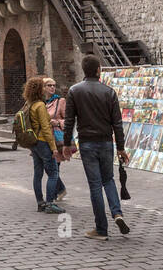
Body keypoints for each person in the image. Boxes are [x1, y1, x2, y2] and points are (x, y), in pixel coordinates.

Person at [63, 54, 129, 239]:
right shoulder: (109, 92)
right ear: (98, 70)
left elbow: (69, 121)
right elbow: (117, 123)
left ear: (84, 70)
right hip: (106, 142)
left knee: (94, 185)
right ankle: (117, 213)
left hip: (87, 143)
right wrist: (121, 148)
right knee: (109, 180)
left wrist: (67, 143)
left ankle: (101, 229)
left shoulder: (75, 91)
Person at [23, 76, 65, 214]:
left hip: (34, 143)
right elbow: (46, 129)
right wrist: (53, 148)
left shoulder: (29, 104)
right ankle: (49, 203)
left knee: (38, 173)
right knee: (53, 173)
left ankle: (40, 202)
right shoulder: (40, 106)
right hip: (43, 142)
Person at [43, 77, 68, 201]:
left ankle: (53, 194)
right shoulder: (40, 103)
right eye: (49, 85)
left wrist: (57, 123)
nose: (52, 87)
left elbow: (68, 120)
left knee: (54, 167)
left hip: (56, 139)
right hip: (43, 139)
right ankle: (60, 189)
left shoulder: (60, 101)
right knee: (48, 167)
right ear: (43, 88)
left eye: (53, 85)